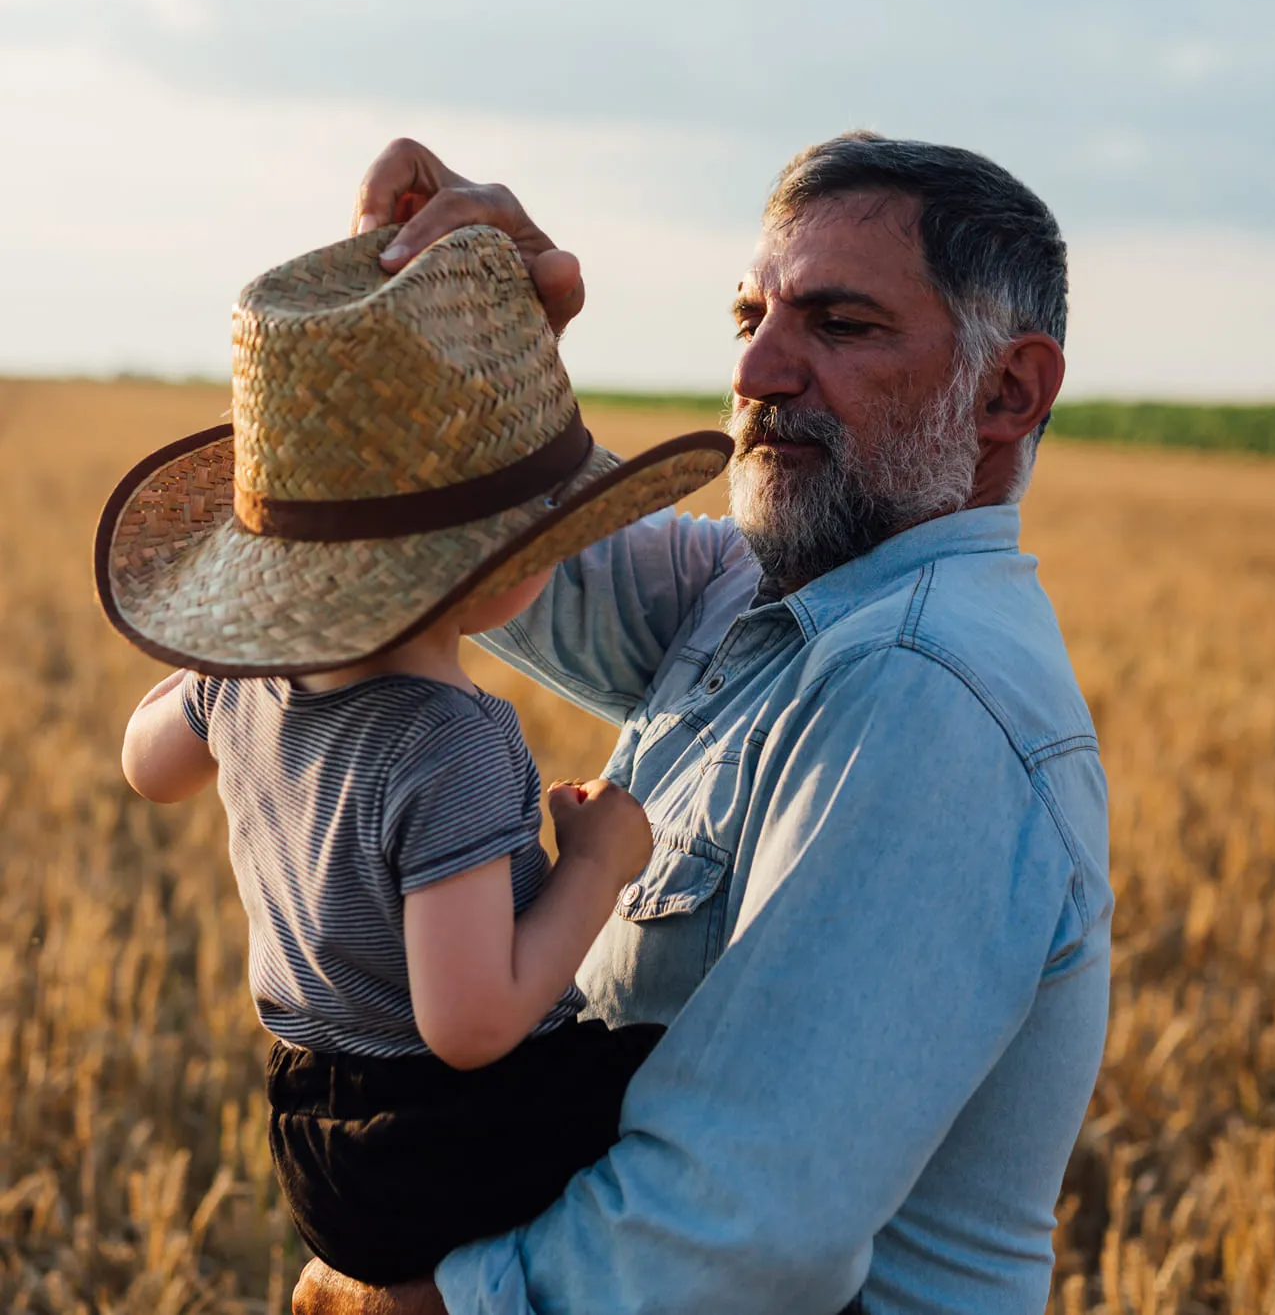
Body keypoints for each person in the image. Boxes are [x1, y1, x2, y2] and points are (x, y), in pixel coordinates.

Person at [294, 130, 1114, 1315]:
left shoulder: (926, 693)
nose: (757, 372)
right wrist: (477, 318)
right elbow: (466, 550)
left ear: (1003, 394)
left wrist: (419, 1301)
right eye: (750, 318)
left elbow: (738, 1228)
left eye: (838, 325)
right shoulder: (763, 589)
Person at [94, 223, 732, 1285]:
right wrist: (595, 864)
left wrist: (218, 672)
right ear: (510, 561)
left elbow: (144, 766)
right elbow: (472, 1021)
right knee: (708, 1104)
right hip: (446, 1140)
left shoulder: (239, 681)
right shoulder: (452, 739)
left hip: (310, 1130)